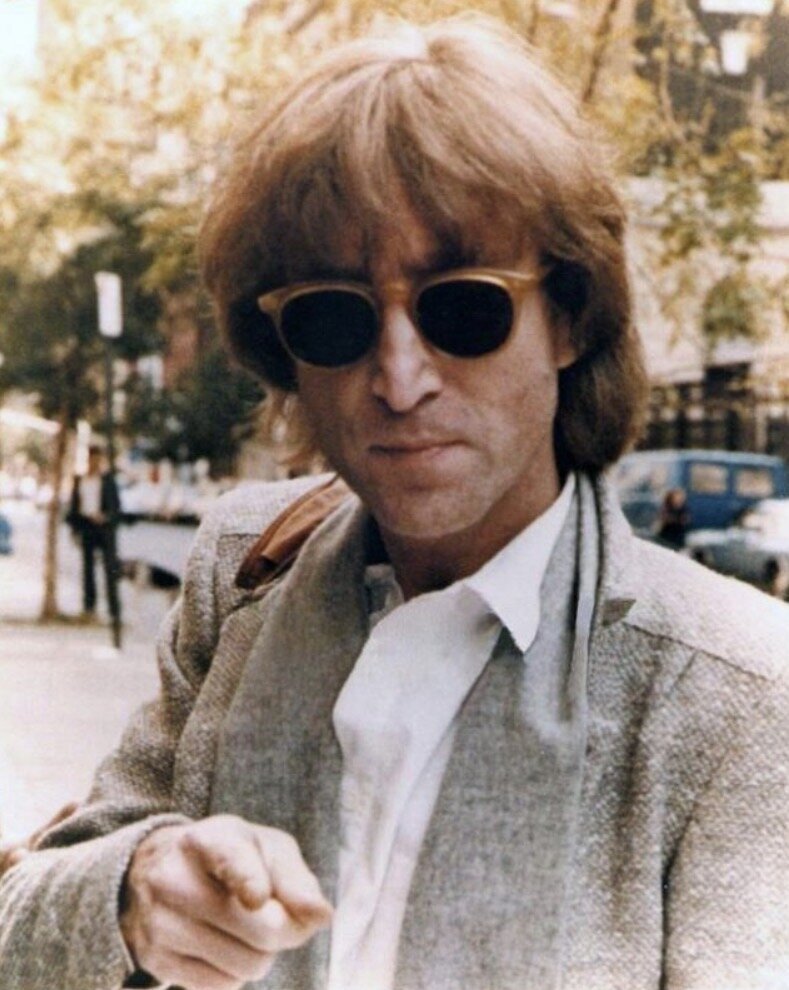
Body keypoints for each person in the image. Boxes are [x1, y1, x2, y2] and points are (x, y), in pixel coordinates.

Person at [1, 16, 787, 990]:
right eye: (336, 318)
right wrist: (132, 894)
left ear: (569, 320)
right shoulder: (244, 576)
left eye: (464, 306)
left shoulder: (731, 693)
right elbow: (30, 910)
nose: (400, 378)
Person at [66, 445, 121, 619]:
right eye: (92, 459)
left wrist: (106, 517)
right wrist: (75, 529)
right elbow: (74, 506)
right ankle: (89, 607)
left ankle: (114, 609)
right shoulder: (80, 479)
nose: (95, 463)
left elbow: (116, 506)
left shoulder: (108, 480)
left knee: (110, 568)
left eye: (98, 459)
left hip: (104, 528)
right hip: (86, 526)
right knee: (88, 569)